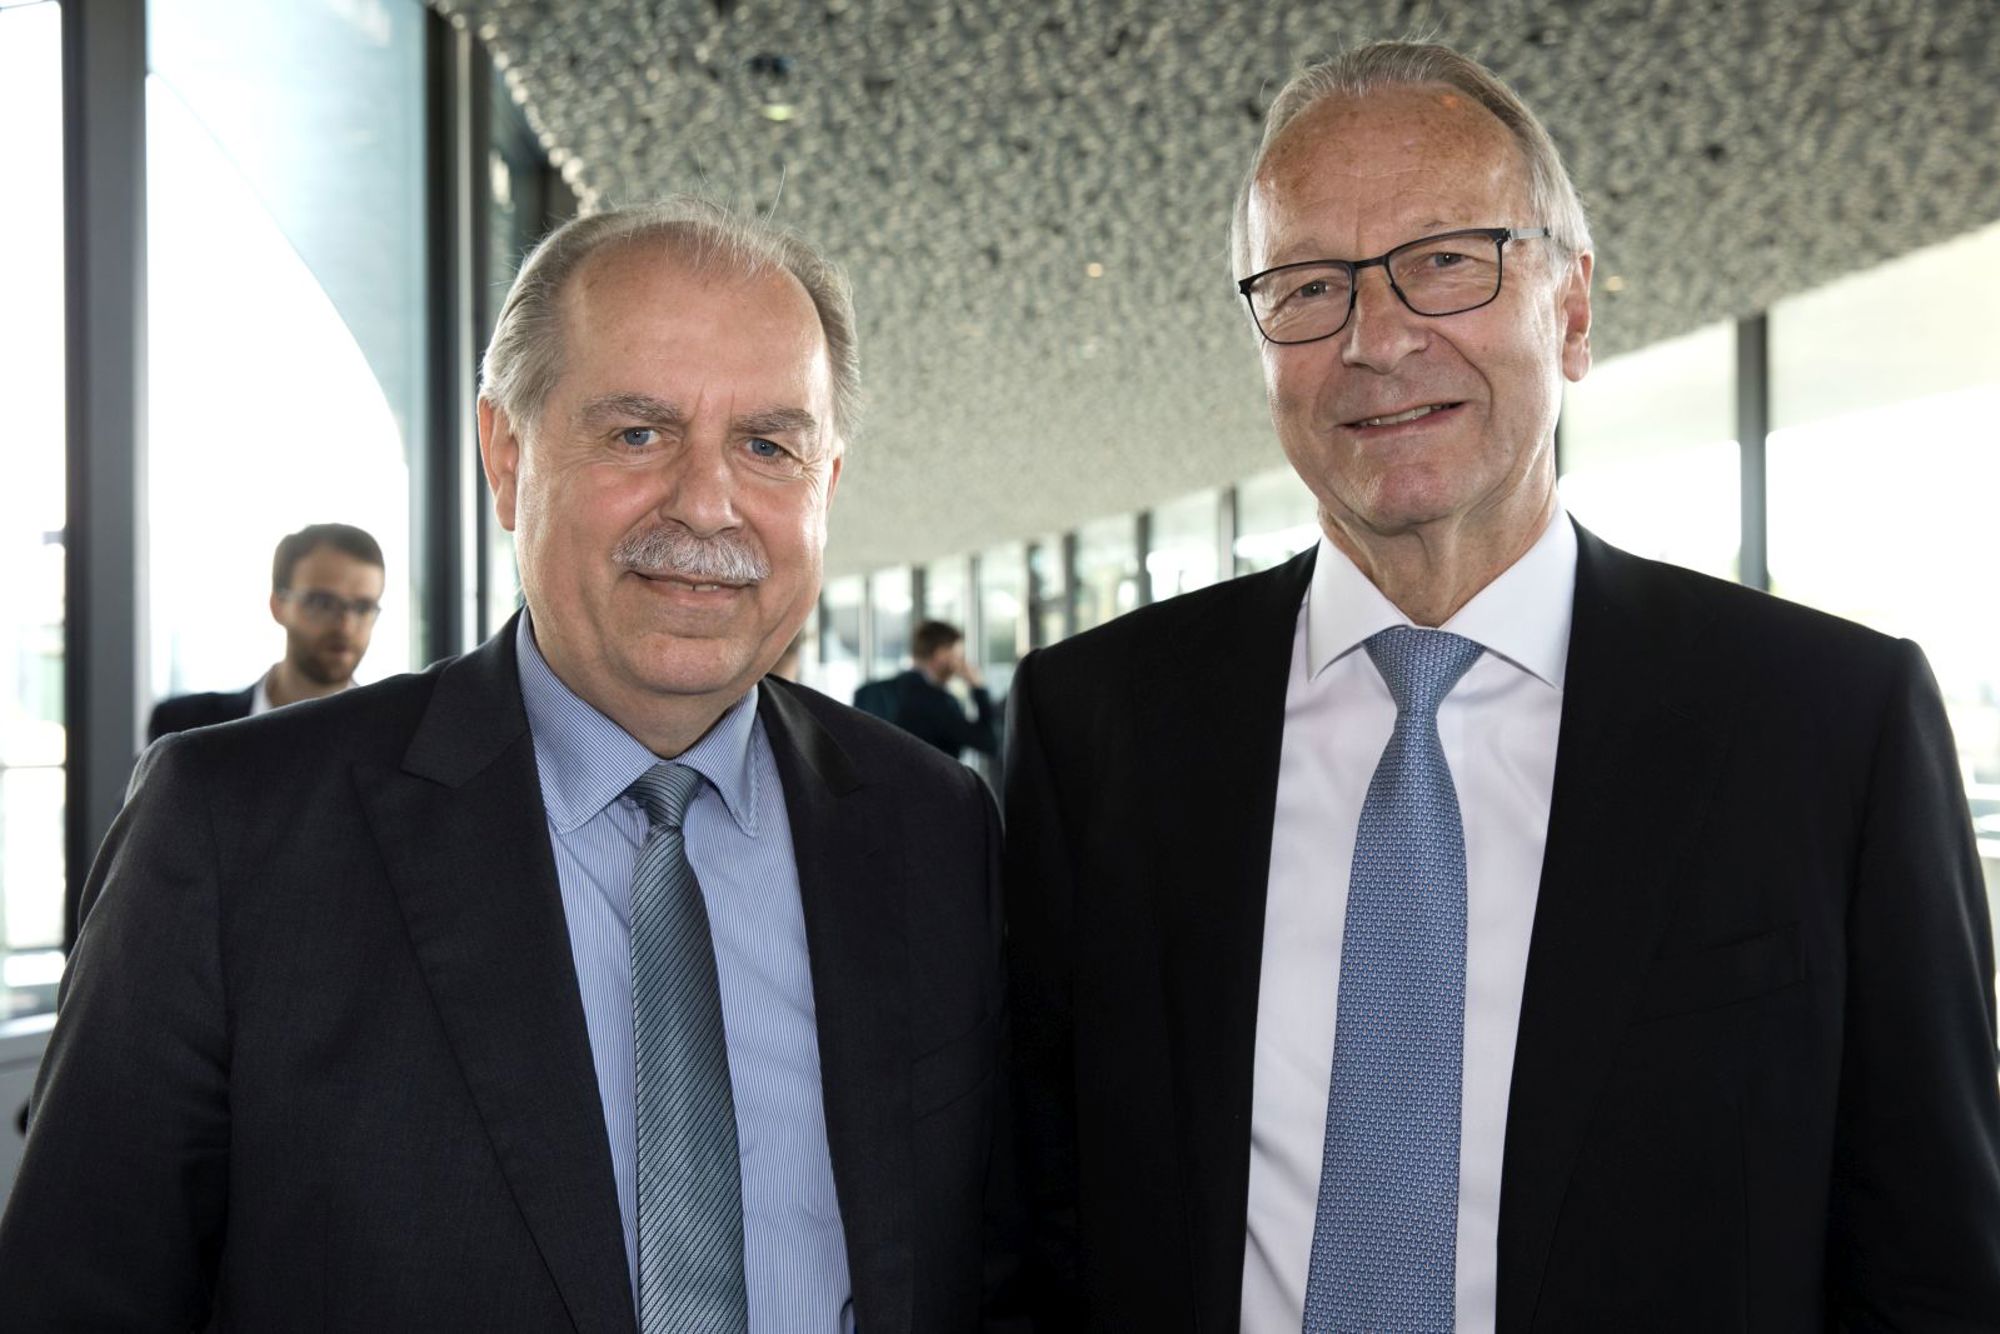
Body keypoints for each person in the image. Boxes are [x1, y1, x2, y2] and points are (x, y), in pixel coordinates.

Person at [1003, 40, 2000, 1332]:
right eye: (1309, 286)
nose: (1374, 339)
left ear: (1570, 312)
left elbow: (1932, 1268)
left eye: (1444, 261)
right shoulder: (1099, 727)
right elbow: (1038, 1224)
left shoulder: (1827, 727)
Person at [0, 198, 1016, 1331]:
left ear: (824, 486)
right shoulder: (235, 832)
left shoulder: (933, 825)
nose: (706, 503)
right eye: (638, 433)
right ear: (506, 455)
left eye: (768, 446)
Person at [145, 522, 385, 740]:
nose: (345, 625)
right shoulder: (183, 728)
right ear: (278, 606)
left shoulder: (390, 738)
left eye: (363, 607)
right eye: (322, 603)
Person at [856, 620, 1000, 760]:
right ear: (941, 655)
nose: (961, 663)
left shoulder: (871, 691)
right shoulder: (939, 702)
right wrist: (978, 688)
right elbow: (991, 743)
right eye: (958, 656)